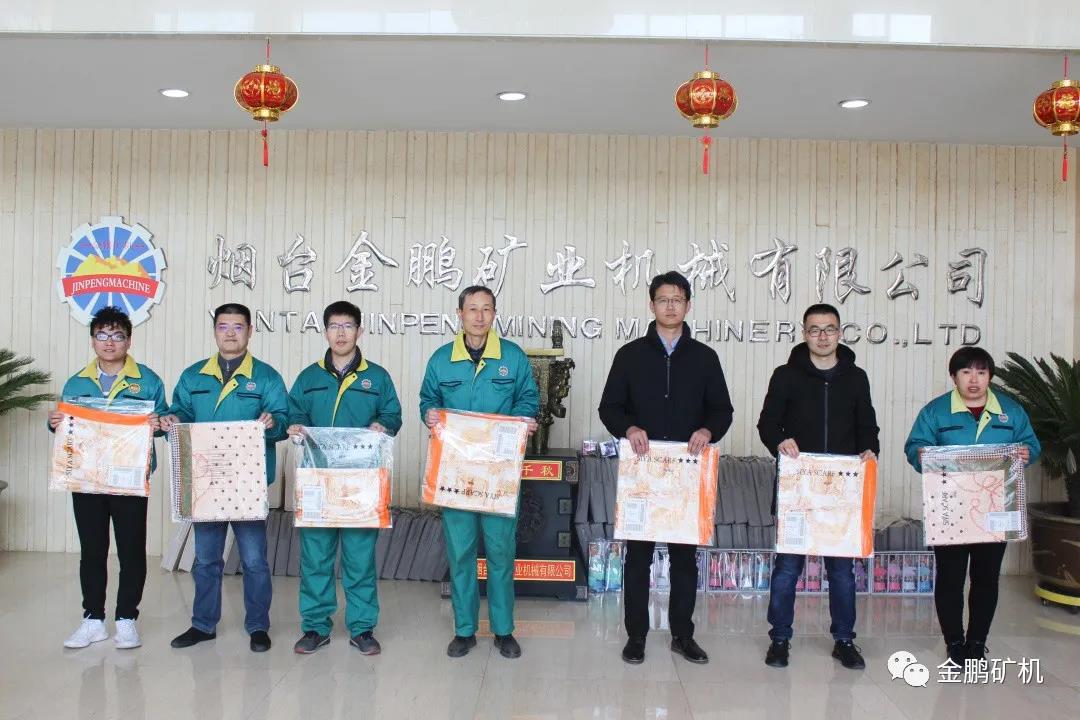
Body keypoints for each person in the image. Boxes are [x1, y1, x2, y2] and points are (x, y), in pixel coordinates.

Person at [598, 270, 734, 665]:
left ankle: (682, 635)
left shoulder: (705, 358)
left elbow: (722, 410)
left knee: (684, 559)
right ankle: (636, 636)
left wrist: (708, 430)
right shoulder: (630, 355)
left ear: (688, 306)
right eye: (663, 299)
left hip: (686, 474)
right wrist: (629, 428)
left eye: (677, 299)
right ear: (652, 305)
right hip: (643, 473)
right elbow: (610, 407)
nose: (670, 306)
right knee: (638, 558)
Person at [419, 285, 539, 659]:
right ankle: (464, 630)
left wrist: (525, 420)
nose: (479, 316)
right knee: (461, 553)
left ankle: (503, 630)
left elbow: (528, 398)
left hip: (498, 474)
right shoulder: (442, 360)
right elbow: (428, 400)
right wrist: (429, 414)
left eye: (486, 309)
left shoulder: (512, 357)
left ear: (494, 314)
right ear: (460, 314)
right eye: (472, 309)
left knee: (501, 551)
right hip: (456, 474)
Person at [757, 303, 879, 670]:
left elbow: (867, 426)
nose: (822, 336)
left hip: (841, 491)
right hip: (798, 489)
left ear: (840, 333)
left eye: (829, 329)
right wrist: (780, 441)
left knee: (841, 572)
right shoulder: (785, 376)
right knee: (787, 569)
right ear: (804, 333)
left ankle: (844, 640)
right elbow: (767, 424)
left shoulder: (856, 378)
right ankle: (780, 638)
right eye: (815, 329)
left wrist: (870, 450)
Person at [160, 303, 288, 653]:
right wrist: (172, 420)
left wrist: (273, 422)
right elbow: (180, 412)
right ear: (215, 330)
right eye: (223, 326)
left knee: (254, 560)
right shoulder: (193, 376)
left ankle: (258, 626)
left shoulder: (266, 377)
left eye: (238, 327)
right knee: (206, 559)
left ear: (250, 331)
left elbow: (282, 417)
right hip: (206, 482)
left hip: (247, 483)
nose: (230, 333)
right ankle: (203, 624)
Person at [903, 346, 1039, 665]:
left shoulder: (1011, 411)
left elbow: (1031, 444)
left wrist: (1026, 453)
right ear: (954, 376)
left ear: (990, 376)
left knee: (986, 577)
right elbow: (915, 446)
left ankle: (977, 642)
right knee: (950, 578)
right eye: (966, 372)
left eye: (981, 372)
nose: (974, 379)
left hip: (995, 508)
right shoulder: (936, 411)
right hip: (949, 508)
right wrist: (922, 455)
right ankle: (954, 642)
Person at [48, 306, 168, 650]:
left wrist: (159, 423)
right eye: (102, 335)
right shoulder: (77, 382)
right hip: (86, 479)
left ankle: (127, 618)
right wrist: (54, 423)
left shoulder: (148, 380)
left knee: (131, 550)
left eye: (117, 335)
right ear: (92, 340)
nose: (109, 342)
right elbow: (68, 428)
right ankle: (93, 619)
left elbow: (163, 422)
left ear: (129, 341)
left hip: (129, 480)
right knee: (92, 549)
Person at [286, 301, 402, 656]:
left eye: (347, 326)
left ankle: (362, 628)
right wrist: (295, 426)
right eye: (334, 326)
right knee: (316, 557)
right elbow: (293, 412)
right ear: (325, 332)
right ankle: (315, 627)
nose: (340, 333)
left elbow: (393, 414)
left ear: (359, 331)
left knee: (359, 557)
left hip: (360, 483)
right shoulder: (308, 378)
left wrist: (383, 425)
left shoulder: (377, 377)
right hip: (317, 481)